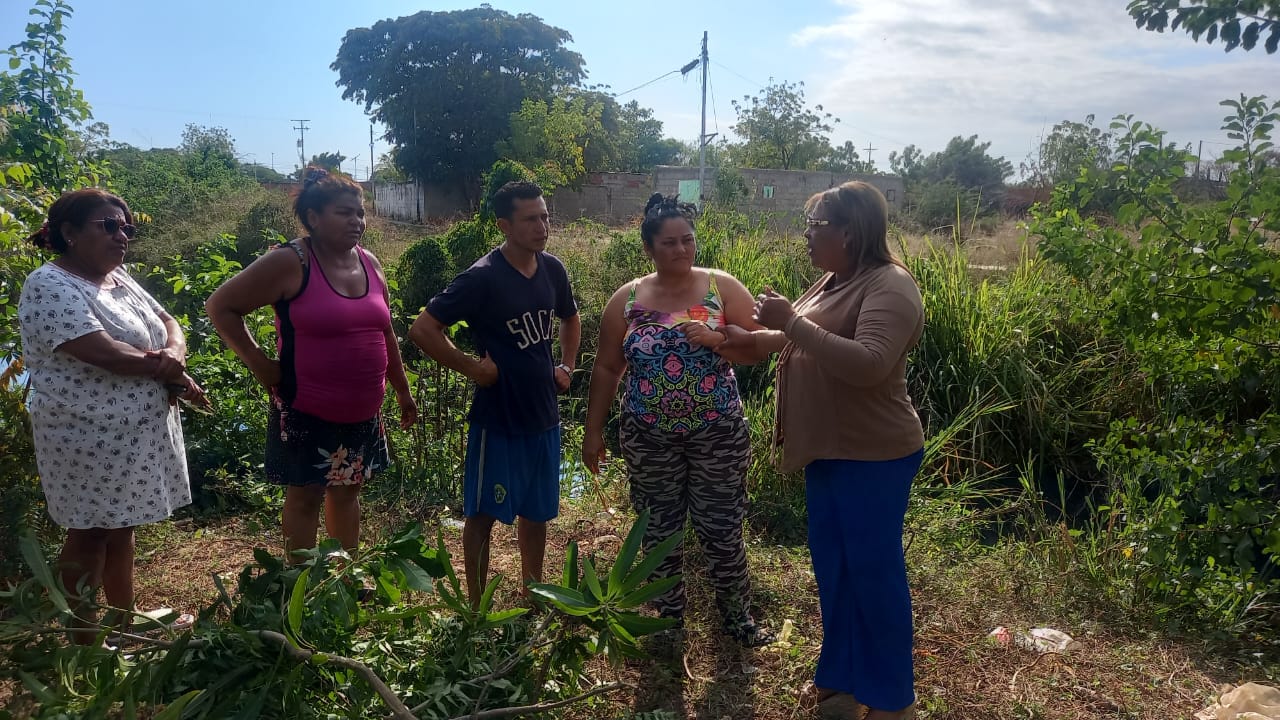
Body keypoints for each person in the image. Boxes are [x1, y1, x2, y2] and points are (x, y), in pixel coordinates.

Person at [720, 180, 925, 719]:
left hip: (874, 455)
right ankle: (841, 684)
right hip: (829, 453)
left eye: (817, 225)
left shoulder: (890, 286)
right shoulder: (834, 280)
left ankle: (890, 700)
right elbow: (794, 338)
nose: (807, 234)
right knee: (835, 570)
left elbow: (869, 363)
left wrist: (789, 322)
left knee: (874, 576)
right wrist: (744, 340)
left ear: (851, 233)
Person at [581, 193, 774, 647]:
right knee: (658, 529)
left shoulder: (719, 287)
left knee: (722, 527)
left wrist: (717, 338)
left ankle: (737, 617)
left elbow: (762, 345)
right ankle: (667, 622)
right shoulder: (626, 299)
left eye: (688, 240)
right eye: (669, 243)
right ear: (648, 247)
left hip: (717, 431)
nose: (682, 250)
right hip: (648, 435)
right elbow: (607, 368)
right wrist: (593, 432)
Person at [18, 188, 205, 643]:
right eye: (108, 225)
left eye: (126, 228)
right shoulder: (49, 284)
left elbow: (168, 321)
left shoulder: (117, 277)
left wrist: (174, 356)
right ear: (69, 232)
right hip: (84, 435)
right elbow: (100, 350)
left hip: (130, 435)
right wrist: (165, 366)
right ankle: (85, 642)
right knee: (91, 534)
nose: (121, 235)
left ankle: (124, 627)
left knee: (121, 527)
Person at [205, 167, 417, 561]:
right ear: (313, 218)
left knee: (348, 490)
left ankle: (343, 573)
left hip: (362, 409)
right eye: (344, 212)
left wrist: (402, 391)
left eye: (360, 212)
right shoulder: (291, 261)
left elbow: (385, 332)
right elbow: (221, 306)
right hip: (307, 406)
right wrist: (260, 364)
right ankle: (301, 582)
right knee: (305, 494)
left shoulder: (369, 262)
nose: (357, 221)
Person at [409, 181, 580, 608]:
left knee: (537, 513)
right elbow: (423, 329)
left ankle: (534, 592)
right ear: (504, 225)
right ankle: (476, 605)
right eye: (531, 219)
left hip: (543, 415)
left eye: (545, 216)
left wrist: (567, 365)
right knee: (482, 514)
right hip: (498, 419)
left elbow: (570, 318)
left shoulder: (552, 269)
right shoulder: (482, 278)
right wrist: (471, 367)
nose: (542, 226)